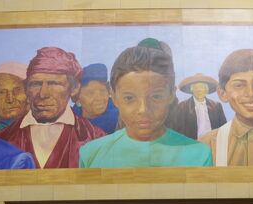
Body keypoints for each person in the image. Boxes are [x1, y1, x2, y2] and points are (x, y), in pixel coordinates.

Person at [79, 39, 212, 168]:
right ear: (113, 97)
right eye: (129, 98)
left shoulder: (199, 155)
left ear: (171, 94)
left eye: (156, 96)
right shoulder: (91, 155)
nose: (143, 109)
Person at [0, 47, 105, 168]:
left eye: (54, 84)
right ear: (26, 88)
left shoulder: (97, 139)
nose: (43, 94)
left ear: (74, 88)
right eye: (36, 84)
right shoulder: (0, 140)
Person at [170, 73, 227, 139]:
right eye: (196, 87)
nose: (199, 90)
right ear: (192, 90)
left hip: (212, 144)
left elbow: (223, 129)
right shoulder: (182, 106)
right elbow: (177, 130)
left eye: (202, 87)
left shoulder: (216, 106)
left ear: (206, 90)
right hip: (191, 144)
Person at [72, 63, 119, 135]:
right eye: (90, 93)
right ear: (77, 98)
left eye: (102, 91)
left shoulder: (121, 122)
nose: (99, 98)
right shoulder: (69, 122)